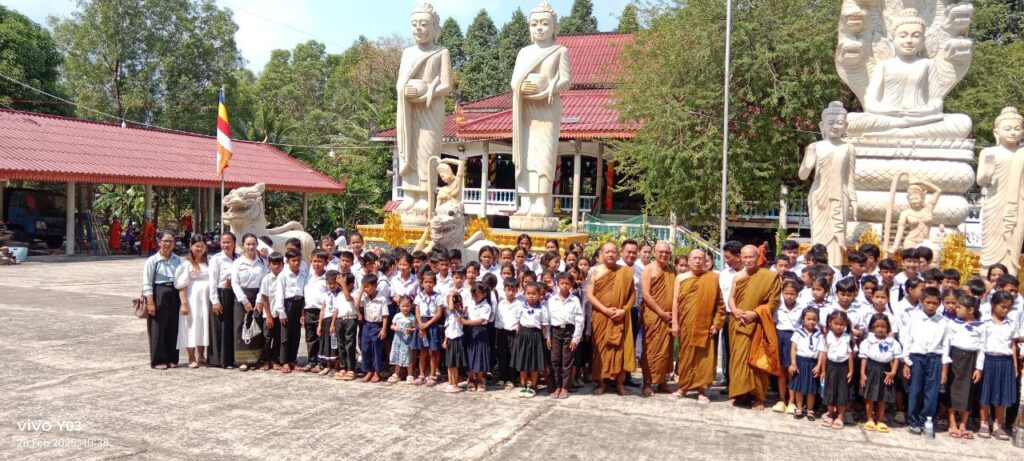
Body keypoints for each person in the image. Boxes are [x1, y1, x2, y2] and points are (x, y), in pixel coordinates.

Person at [727, 245, 782, 410]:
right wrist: (735, 310)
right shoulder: (738, 276)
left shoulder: (769, 276)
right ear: (740, 258)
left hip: (758, 324)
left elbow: (773, 302)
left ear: (758, 257)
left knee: (757, 360)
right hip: (739, 322)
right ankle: (742, 394)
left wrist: (756, 313)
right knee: (738, 359)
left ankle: (759, 397)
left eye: (751, 257)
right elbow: (731, 298)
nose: (748, 260)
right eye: (745, 257)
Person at [671, 249, 725, 404]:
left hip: (705, 325)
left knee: (703, 358)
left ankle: (701, 390)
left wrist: (716, 324)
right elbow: (675, 301)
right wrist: (674, 322)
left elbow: (720, 304)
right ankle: (683, 388)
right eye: (694, 258)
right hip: (686, 324)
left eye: (701, 258)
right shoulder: (681, 278)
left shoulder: (712, 278)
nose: (697, 261)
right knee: (685, 356)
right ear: (688, 260)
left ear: (705, 261)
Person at [587, 242, 638, 396]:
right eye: (607, 252)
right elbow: (590, 296)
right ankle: (601, 384)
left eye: (613, 252)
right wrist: (605, 310)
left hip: (619, 317)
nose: (610, 254)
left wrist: (624, 310)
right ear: (602, 254)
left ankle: (620, 384)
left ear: (618, 254)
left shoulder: (626, 271)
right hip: (601, 316)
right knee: (600, 350)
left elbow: (633, 295)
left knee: (619, 350)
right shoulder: (593, 271)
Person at [901, 286, 950, 435]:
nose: (931, 306)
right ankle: (914, 421)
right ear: (922, 301)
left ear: (940, 304)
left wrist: (944, 368)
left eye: (935, 303)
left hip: (935, 359)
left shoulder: (943, 322)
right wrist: (906, 361)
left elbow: (946, 345)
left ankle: (926, 421)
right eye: (928, 302)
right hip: (916, 358)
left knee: (932, 392)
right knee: (915, 390)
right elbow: (907, 340)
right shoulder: (914, 319)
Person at [977, 291, 1020, 440]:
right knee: (986, 393)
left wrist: (1015, 366)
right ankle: (984, 423)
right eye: (1002, 306)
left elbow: (1012, 345)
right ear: (993, 305)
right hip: (988, 360)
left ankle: (997, 425)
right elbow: (981, 345)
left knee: (1002, 394)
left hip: (1005, 362)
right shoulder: (985, 322)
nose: (1005, 310)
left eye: (1008, 307)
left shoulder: (1011, 323)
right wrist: (979, 366)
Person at [142, 230, 182, 369]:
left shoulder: (178, 260)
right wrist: (150, 302)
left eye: (171, 241)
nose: (168, 244)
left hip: (175, 294)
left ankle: (172, 358)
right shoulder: (152, 261)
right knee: (158, 328)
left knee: (173, 327)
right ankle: (158, 360)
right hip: (158, 294)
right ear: (159, 242)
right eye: (165, 241)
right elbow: (147, 283)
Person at [640, 241, 676, 396]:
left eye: (667, 252)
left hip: (668, 316)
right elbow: (646, 295)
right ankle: (647, 382)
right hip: (654, 315)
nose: (664, 254)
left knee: (666, 350)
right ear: (655, 252)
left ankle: (662, 382)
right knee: (651, 349)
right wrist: (661, 312)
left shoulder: (671, 270)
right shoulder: (648, 269)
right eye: (661, 252)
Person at [946, 295, 982, 439]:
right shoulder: (952, 324)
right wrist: (945, 362)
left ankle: (963, 424)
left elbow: (982, 348)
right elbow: (947, 344)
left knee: (968, 391)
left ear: (971, 310)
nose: (956, 309)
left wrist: (979, 368)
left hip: (971, 359)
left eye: (959, 307)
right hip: (955, 357)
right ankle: (952, 422)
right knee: (953, 389)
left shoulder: (981, 326)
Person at [231, 233, 268, 372]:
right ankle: (243, 361)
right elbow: (235, 283)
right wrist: (244, 301)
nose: (251, 247)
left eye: (253, 244)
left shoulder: (262, 262)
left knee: (256, 327)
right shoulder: (237, 263)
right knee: (241, 327)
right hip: (242, 298)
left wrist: (259, 299)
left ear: (257, 245)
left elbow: (264, 282)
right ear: (243, 245)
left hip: (258, 297)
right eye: (248, 244)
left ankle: (255, 359)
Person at [859, 313, 901, 434]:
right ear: (872, 327)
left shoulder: (893, 343)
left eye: (883, 326)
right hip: (871, 369)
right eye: (877, 326)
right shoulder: (867, 342)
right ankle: (870, 419)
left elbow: (896, 358)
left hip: (886, 371)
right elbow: (864, 358)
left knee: (883, 396)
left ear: (888, 328)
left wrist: (893, 372)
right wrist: (862, 373)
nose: (880, 329)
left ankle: (880, 418)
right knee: (870, 396)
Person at [175, 235, 210, 368]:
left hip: (206, 300)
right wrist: (184, 304)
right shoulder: (186, 264)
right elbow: (181, 286)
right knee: (190, 326)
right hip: (192, 300)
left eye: (202, 246)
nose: (199, 249)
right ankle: (191, 357)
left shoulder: (210, 262)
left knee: (204, 325)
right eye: (196, 246)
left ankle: (202, 355)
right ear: (191, 246)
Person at [546, 273, 584, 399]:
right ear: (557, 284)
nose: (564, 286)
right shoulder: (552, 300)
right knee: (555, 360)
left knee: (567, 361)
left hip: (569, 332)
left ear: (571, 284)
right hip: (555, 332)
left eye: (567, 283)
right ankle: (557, 386)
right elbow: (547, 320)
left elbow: (579, 319)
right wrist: (548, 336)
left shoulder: (575, 300)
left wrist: (576, 338)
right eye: (562, 283)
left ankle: (565, 387)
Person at [513, 282, 549, 398]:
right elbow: (517, 323)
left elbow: (544, 326)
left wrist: (545, 338)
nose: (531, 296)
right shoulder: (520, 306)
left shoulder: (542, 308)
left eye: (534, 294)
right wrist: (517, 337)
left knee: (535, 363)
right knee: (523, 362)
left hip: (536, 336)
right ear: (524, 294)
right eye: (528, 293)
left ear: (539, 295)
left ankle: (533, 386)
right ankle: (523, 385)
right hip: (523, 336)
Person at [274, 249, 307, 373]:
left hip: (299, 303)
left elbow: (304, 293)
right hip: (287, 305)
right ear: (287, 261)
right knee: (285, 336)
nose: (296, 263)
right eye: (293, 260)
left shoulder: (303, 274)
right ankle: (284, 361)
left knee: (296, 334)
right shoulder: (283, 275)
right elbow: (279, 294)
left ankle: (293, 360)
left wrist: (303, 312)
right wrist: (281, 312)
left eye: (298, 260)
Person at [819, 310, 854, 429]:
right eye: (836, 324)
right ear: (830, 323)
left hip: (843, 368)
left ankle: (840, 416)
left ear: (845, 324)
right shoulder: (826, 337)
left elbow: (850, 355)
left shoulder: (847, 338)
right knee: (830, 391)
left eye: (842, 324)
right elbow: (824, 355)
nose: (839, 327)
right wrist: (823, 371)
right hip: (831, 367)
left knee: (842, 392)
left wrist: (851, 371)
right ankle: (830, 414)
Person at [208, 232, 237, 368]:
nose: (226, 245)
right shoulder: (216, 259)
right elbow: (212, 281)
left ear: (234, 243)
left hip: (235, 295)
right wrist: (215, 300)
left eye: (229, 242)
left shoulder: (239, 258)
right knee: (220, 327)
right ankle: (219, 359)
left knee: (231, 326)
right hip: (220, 294)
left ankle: (231, 358)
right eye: (223, 242)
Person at [773, 279, 802, 413]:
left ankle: (792, 401)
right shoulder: (778, 306)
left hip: (794, 338)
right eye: (786, 293)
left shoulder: (801, 307)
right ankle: (782, 399)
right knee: (781, 370)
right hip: (780, 337)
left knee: (792, 370)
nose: (789, 296)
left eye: (792, 294)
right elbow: (774, 322)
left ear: (797, 294)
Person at [789, 308, 822, 421]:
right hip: (800, 362)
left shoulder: (819, 335)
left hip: (812, 363)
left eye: (814, 319)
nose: (811, 322)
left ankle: (810, 409)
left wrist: (818, 366)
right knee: (799, 388)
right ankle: (799, 408)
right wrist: (793, 363)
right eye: (808, 319)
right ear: (803, 320)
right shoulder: (798, 332)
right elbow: (793, 349)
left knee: (811, 389)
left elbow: (821, 352)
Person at [357, 273, 390, 384]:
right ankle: (368, 371)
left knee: (376, 350)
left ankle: (377, 372)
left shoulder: (382, 299)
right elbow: (356, 306)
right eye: (364, 287)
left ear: (375, 286)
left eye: (367, 287)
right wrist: (360, 292)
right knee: (365, 349)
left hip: (377, 326)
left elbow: (385, 316)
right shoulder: (364, 298)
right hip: (367, 325)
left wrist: (384, 329)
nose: (365, 289)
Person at [413, 271, 444, 386]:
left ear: (435, 283)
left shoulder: (438, 296)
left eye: (431, 282)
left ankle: (432, 375)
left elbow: (439, 313)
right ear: (422, 283)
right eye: (426, 282)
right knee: (422, 351)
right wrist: (420, 324)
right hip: (421, 324)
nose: (428, 284)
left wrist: (427, 324)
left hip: (432, 325)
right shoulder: (419, 295)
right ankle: (421, 375)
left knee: (432, 351)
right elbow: (417, 310)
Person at [303, 250, 330, 372]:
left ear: (326, 262)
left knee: (321, 337)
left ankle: (321, 362)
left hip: (322, 311)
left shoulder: (328, 278)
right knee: (310, 337)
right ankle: (311, 361)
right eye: (314, 261)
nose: (317, 264)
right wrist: (302, 313)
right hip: (309, 310)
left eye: (320, 261)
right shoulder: (308, 277)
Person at [463, 282, 493, 392]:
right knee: (470, 355)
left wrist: (465, 322)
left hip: (481, 332)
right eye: (473, 294)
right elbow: (465, 313)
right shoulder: (470, 303)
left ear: (484, 294)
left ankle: (480, 380)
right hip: (470, 332)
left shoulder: (486, 306)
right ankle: (470, 379)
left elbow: (481, 320)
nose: (475, 297)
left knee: (480, 356)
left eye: (477, 294)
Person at [257, 252, 283, 371]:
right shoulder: (266, 279)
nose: (276, 266)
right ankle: (266, 360)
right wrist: (268, 316)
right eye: (274, 264)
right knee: (267, 338)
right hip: (269, 313)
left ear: (282, 265)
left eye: (279, 264)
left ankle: (275, 359)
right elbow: (265, 298)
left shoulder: (284, 278)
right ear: (269, 265)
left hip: (280, 314)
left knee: (278, 338)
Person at [495, 277, 523, 389]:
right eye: (508, 290)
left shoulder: (520, 304)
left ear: (517, 290)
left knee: (512, 356)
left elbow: (520, 319)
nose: (510, 292)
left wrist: (518, 332)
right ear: (504, 289)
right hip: (502, 332)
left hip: (514, 333)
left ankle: (511, 379)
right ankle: (502, 378)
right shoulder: (501, 304)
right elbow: (498, 319)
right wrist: (497, 334)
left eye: (513, 290)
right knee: (502, 355)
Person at [330, 272, 358, 380]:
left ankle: (351, 369)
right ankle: (343, 367)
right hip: (339, 320)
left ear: (351, 285)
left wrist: (343, 285)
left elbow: (349, 298)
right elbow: (336, 310)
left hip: (350, 319)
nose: (341, 285)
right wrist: (333, 323)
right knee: (341, 345)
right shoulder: (339, 294)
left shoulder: (355, 292)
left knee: (349, 344)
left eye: (344, 283)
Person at [317, 271, 343, 377]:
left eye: (334, 283)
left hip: (335, 320)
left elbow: (337, 310)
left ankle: (336, 366)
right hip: (326, 321)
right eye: (329, 283)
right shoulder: (325, 295)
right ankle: (328, 366)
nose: (332, 286)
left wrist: (333, 324)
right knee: (326, 343)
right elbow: (322, 310)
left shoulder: (341, 295)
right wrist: (319, 325)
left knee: (335, 343)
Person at [441, 293, 468, 394]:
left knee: (454, 365)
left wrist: (452, 295)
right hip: (450, 340)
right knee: (449, 364)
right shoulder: (450, 315)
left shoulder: (457, 313)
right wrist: (445, 340)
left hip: (456, 340)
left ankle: (455, 384)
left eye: (450, 302)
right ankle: (450, 382)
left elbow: (452, 308)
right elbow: (448, 329)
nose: (448, 305)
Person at [389, 296, 416, 383]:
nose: (405, 308)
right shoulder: (397, 316)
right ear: (399, 305)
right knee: (397, 356)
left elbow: (415, 328)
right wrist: (394, 327)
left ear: (411, 306)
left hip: (407, 341)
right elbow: (392, 325)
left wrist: (411, 330)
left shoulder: (412, 317)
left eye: (407, 306)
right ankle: (396, 374)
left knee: (408, 356)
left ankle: (410, 375)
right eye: (403, 306)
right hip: (397, 340)